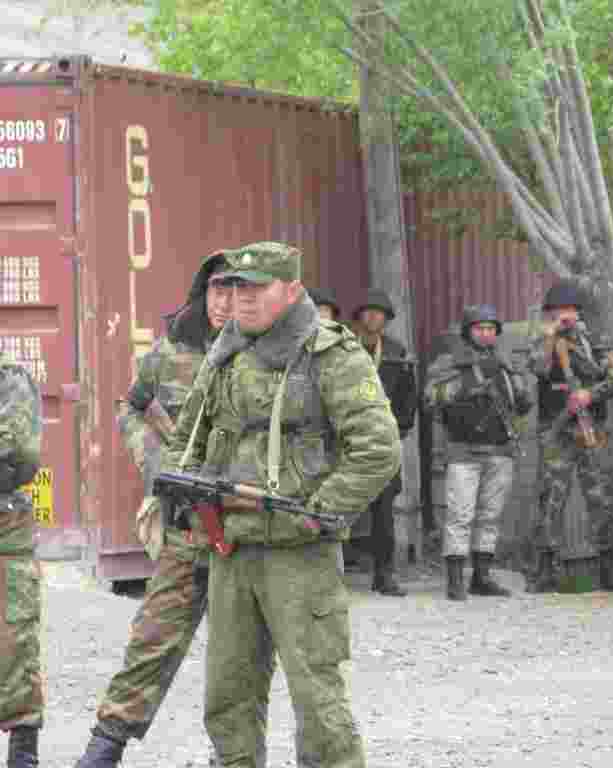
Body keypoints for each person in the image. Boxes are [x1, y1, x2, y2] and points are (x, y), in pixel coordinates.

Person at [163, 242, 401, 768]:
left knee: (317, 701)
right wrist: (189, 495)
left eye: (257, 288)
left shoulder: (330, 353)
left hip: (299, 555)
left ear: (292, 290)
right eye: (236, 287)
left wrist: (317, 513)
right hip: (230, 547)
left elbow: (379, 449)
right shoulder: (226, 349)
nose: (242, 299)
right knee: (227, 698)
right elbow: (187, 438)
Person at [76, 253, 234, 768]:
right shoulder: (173, 350)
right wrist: (156, 462)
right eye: (216, 290)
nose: (224, 302)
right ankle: (104, 748)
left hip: (246, 535)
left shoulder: (264, 356)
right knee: (152, 639)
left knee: (237, 658)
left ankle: (232, 755)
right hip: (188, 528)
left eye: (235, 291)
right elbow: (132, 405)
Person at [423, 304, 533, 600]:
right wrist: (466, 387)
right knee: (460, 515)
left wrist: (519, 388)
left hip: (500, 449)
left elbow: (523, 403)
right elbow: (431, 398)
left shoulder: (505, 362)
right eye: (479, 328)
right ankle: (455, 581)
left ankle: (481, 577)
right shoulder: (449, 362)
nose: (485, 333)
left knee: (490, 516)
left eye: (490, 329)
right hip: (463, 450)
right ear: (468, 332)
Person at [527, 281, 613, 593]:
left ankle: (607, 569)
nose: (564, 315)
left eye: (568, 309)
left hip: (591, 428)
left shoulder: (595, 339)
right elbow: (538, 368)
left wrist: (589, 395)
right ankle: (545, 571)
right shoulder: (542, 339)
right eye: (557, 311)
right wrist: (550, 337)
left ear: (579, 311)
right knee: (550, 498)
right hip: (556, 428)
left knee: (601, 496)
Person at [348, 289, 418, 596]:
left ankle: (384, 573)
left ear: (387, 319)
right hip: (347, 438)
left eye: (380, 312)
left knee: (384, 507)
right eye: (368, 311)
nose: (374, 317)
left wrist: (400, 428)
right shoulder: (345, 348)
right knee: (339, 504)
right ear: (359, 317)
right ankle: (333, 572)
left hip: (383, 440)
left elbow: (408, 394)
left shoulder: (396, 351)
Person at [0, 354, 44, 768]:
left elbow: (21, 455)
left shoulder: (10, 380)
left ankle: (23, 754)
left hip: (5, 530)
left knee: (15, 643)